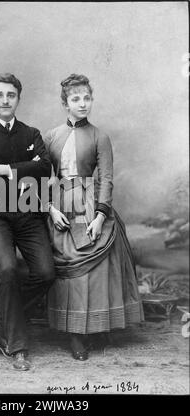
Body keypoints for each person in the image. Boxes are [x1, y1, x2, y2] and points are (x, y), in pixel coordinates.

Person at [44, 74, 144, 360]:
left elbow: (107, 177)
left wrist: (100, 215)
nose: (83, 103)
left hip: (90, 201)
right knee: (69, 270)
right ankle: (74, 334)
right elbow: (42, 178)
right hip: (61, 204)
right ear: (65, 103)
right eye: (76, 99)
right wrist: (50, 208)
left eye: (87, 98)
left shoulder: (100, 136)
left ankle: (97, 329)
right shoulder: (51, 136)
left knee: (97, 268)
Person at [0, 73, 55, 371]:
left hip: (28, 213)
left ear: (18, 98)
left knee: (45, 273)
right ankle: (17, 347)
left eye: (11, 95)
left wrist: (4, 169)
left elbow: (45, 169)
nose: (5, 100)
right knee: (7, 268)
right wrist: (23, 173)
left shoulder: (31, 134)